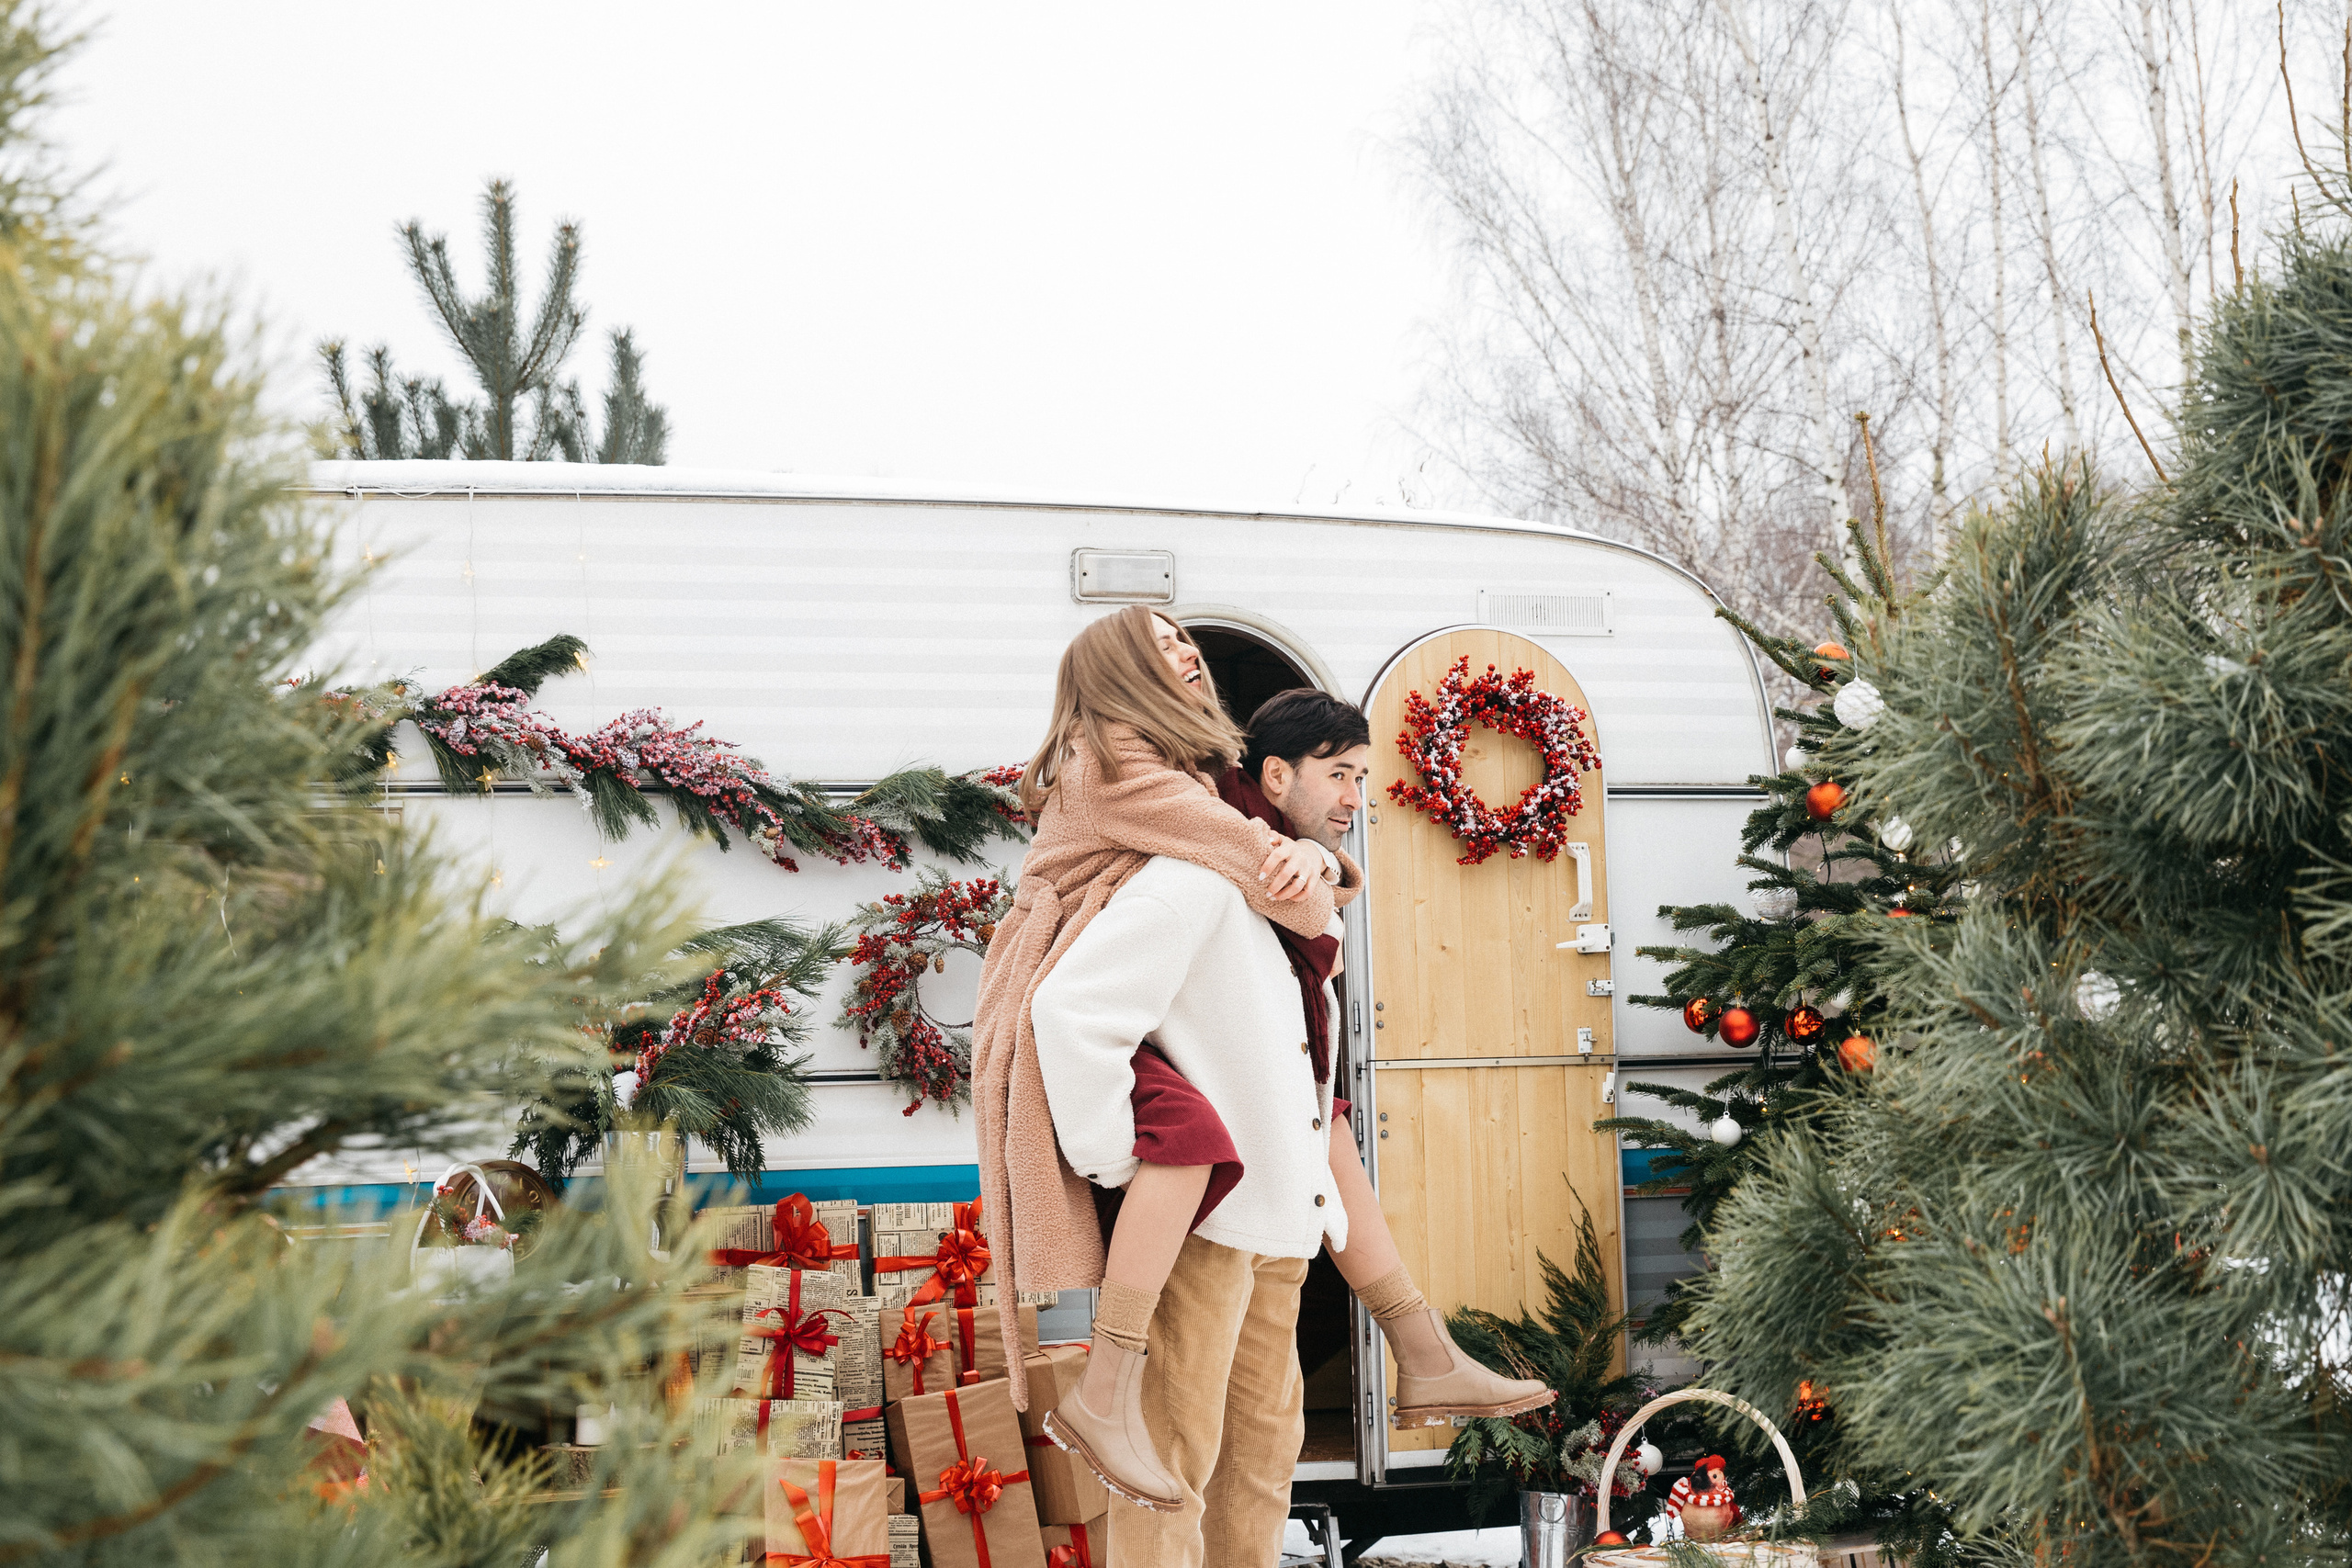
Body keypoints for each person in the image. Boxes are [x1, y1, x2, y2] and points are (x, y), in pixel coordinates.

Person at [971, 608, 1547, 1564]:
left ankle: (1422, 1348)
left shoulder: (1207, 828)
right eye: (1166, 649)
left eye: (1189, 645)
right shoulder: (1156, 827)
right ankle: (1118, 1385)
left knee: (1263, 1453)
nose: (1188, 658)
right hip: (1208, 1222)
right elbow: (1076, 1007)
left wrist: (1320, 861)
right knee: (1176, 1465)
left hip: (1272, 1213)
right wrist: (1127, 1153)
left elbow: (1287, 898)